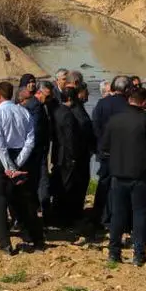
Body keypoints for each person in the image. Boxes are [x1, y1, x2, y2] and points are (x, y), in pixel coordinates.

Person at [99, 87, 146, 265]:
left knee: (117, 214)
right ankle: (139, 254)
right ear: (143, 102)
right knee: (141, 214)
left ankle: (114, 252)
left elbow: (104, 147)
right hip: (141, 175)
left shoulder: (115, 120)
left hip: (118, 174)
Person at [0, 81, 44, 255]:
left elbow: (0, 144)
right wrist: (19, 162)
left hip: (1, 159)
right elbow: (30, 141)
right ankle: (36, 238)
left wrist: (9, 167)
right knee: (26, 199)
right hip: (21, 156)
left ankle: (5, 243)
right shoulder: (24, 112)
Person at [90, 75, 130, 230]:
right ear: (126, 90)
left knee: (103, 185)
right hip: (124, 153)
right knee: (122, 186)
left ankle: (100, 218)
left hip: (105, 152)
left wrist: (101, 146)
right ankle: (121, 219)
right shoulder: (128, 105)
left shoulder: (102, 103)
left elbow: (96, 126)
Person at [50, 87, 89, 225]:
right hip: (67, 156)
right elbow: (69, 137)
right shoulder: (68, 114)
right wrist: (73, 156)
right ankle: (64, 217)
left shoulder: (56, 111)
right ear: (72, 99)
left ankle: (58, 213)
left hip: (58, 154)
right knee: (67, 186)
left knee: (60, 185)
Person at [24, 79, 54, 217]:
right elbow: (35, 130)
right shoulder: (36, 106)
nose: (47, 99)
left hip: (36, 149)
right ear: (39, 92)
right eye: (46, 96)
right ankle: (44, 208)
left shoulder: (36, 104)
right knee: (42, 179)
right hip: (37, 150)